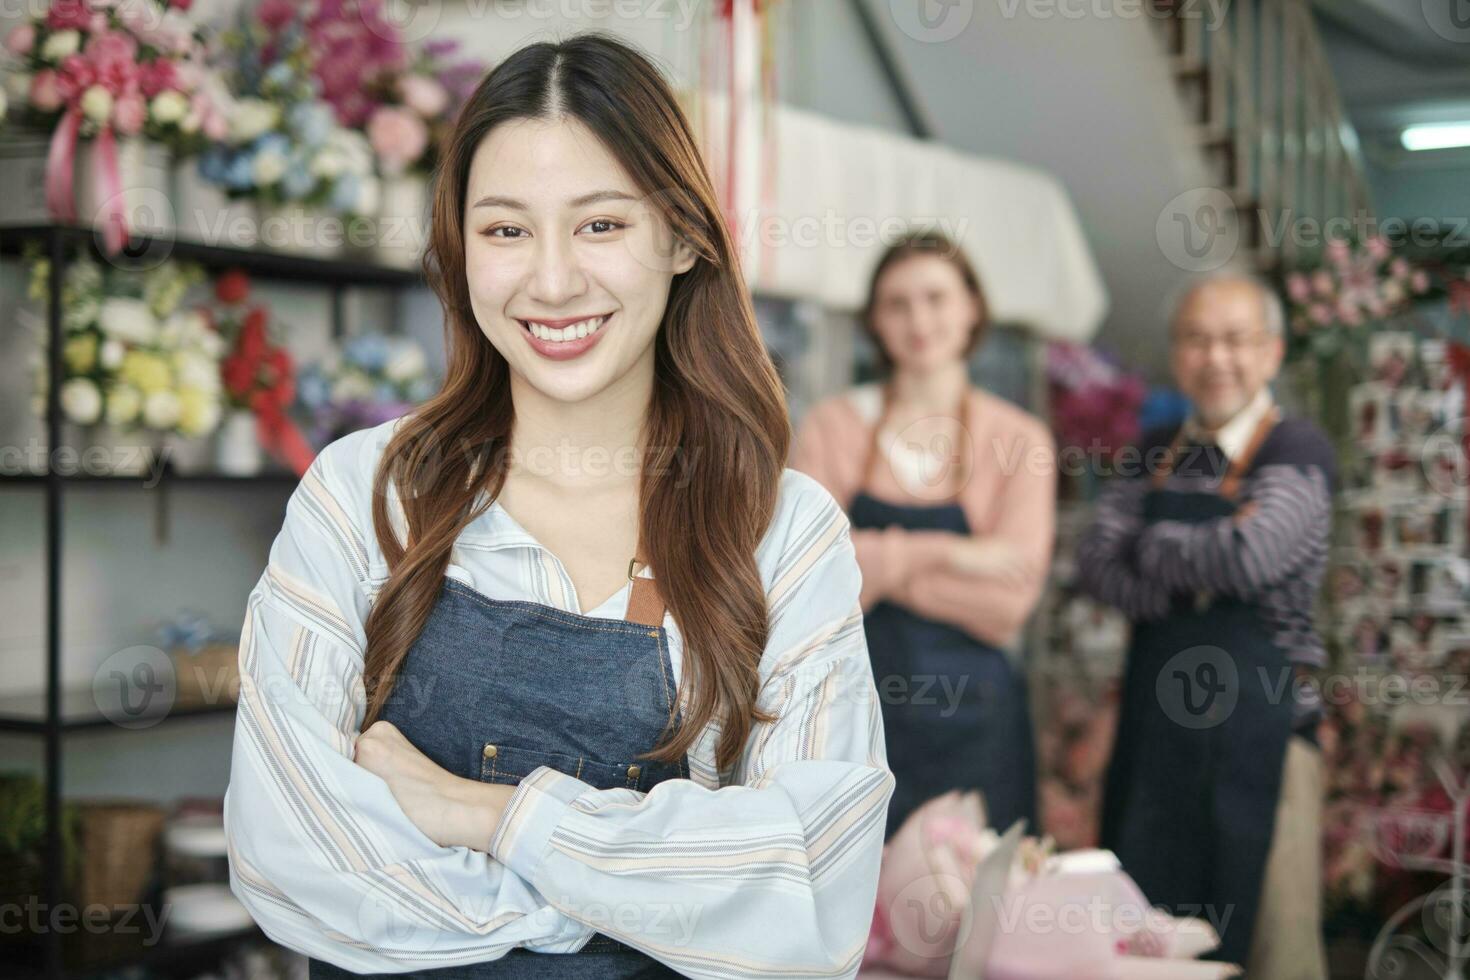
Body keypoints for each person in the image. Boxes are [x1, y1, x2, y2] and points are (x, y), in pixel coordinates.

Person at [223, 33, 895, 979]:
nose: (550, 281)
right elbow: (295, 859)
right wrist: (635, 897)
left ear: (685, 237)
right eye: (505, 230)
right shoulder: (365, 493)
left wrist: (493, 817)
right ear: (462, 252)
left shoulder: (781, 528)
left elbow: (816, 891)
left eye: (600, 225)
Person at [1075, 272, 1334, 978]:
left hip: (1269, 738)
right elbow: (1097, 563)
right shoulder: (1152, 450)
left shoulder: (1298, 451)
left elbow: (1255, 556)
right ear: (1176, 353)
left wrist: (1152, 548)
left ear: (1272, 352)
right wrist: (1197, 571)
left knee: (1276, 951)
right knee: (1144, 939)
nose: (1216, 357)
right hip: (1153, 741)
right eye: (1197, 340)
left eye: (1235, 340)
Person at [790, 231, 1056, 839]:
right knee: (861, 911)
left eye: (936, 297)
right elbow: (810, 579)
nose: (919, 320)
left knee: (976, 916)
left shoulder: (1020, 442)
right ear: (874, 321)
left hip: (977, 726)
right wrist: (955, 554)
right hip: (850, 715)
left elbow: (1006, 607)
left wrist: (871, 563)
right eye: (897, 303)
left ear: (972, 309)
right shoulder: (832, 427)